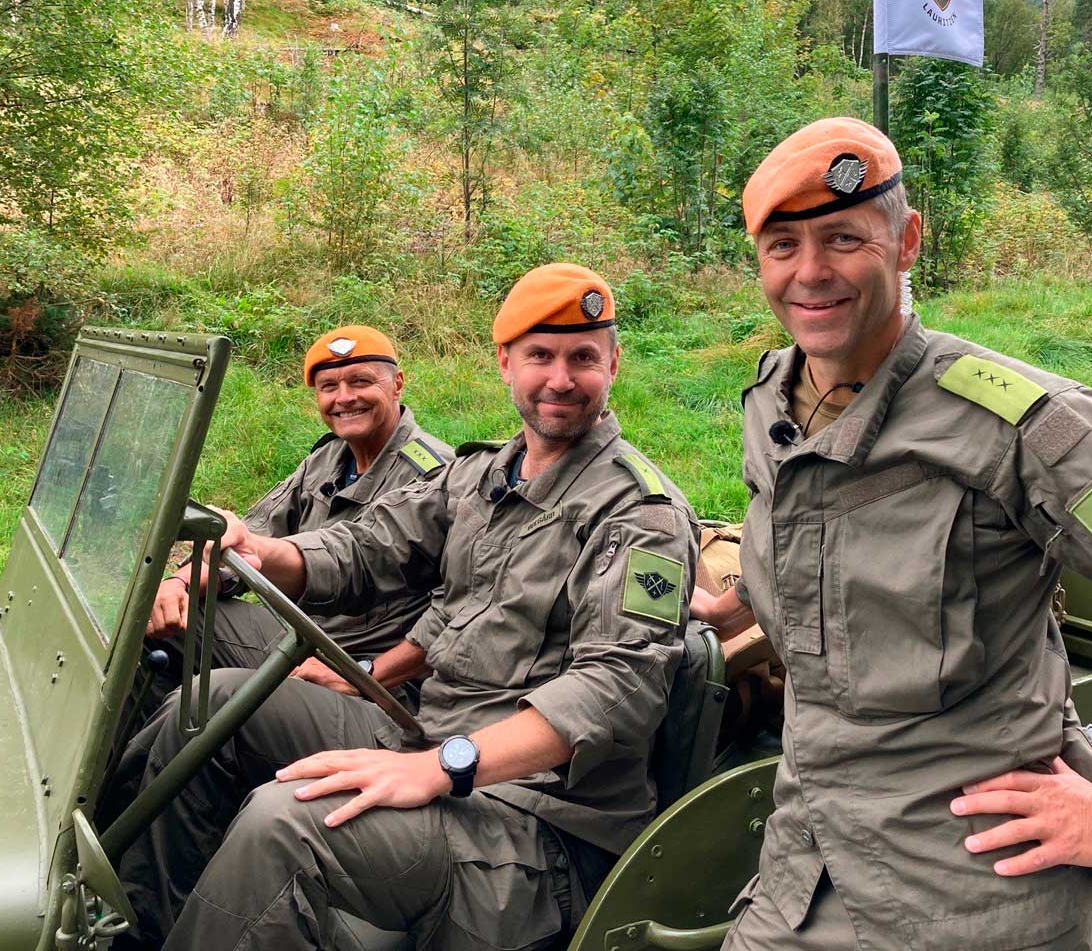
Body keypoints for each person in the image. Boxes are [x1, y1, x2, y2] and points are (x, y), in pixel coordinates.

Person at [688, 117, 1092, 950]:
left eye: (843, 238)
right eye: (782, 247)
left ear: (907, 241)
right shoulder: (776, 396)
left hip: (974, 894)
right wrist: (745, 601)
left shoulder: (1025, 427)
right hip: (805, 872)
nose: (810, 272)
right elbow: (825, 540)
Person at [110, 263, 699, 951]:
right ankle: (138, 929)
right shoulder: (479, 476)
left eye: (584, 358)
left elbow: (616, 687)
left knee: (288, 822)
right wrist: (263, 550)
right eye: (540, 355)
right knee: (209, 709)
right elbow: (366, 546)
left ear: (614, 364)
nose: (561, 379)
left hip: (535, 819)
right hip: (424, 733)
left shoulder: (640, 513)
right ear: (505, 363)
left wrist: (441, 765)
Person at [145, 324, 450, 699]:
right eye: (329, 387)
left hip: (371, 675)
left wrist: (366, 675)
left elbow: (459, 612)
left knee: (210, 696)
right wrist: (179, 584)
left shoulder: (436, 476)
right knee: (161, 622)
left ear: (397, 385)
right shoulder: (328, 458)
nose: (344, 398)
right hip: (303, 640)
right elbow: (249, 539)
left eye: (360, 382)